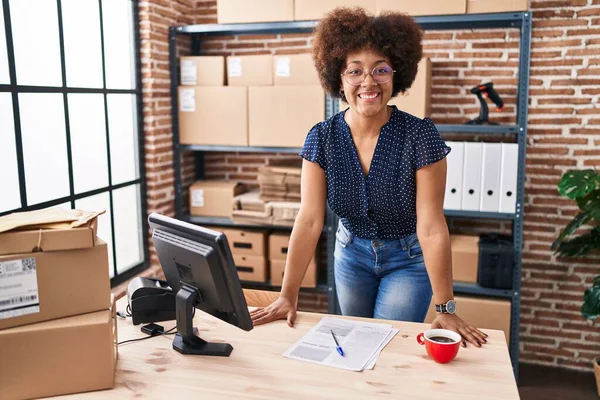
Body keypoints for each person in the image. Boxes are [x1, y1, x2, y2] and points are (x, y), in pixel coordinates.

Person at [250, 7, 487, 347]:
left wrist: (445, 307)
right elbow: (309, 219)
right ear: (338, 78)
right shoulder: (322, 137)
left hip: (408, 260)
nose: (368, 82)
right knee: (357, 345)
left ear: (396, 74)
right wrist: (288, 295)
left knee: (384, 346)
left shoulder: (420, 137)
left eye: (381, 69)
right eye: (355, 71)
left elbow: (432, 225)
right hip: (350, 255)